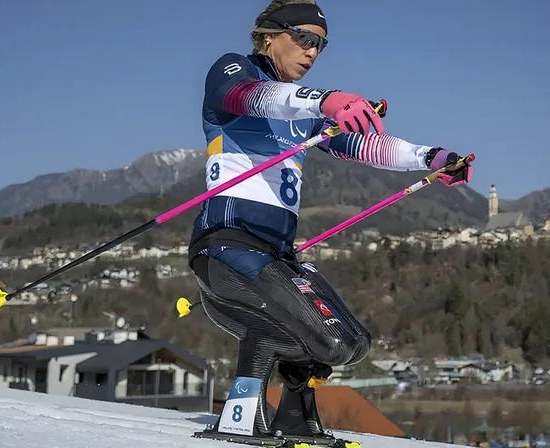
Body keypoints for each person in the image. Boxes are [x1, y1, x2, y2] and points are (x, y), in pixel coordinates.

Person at [188, 0, 472, 445]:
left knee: (348, 343)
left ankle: (296, 418)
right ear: (268, 35)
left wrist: (429, 157)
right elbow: (254, 97)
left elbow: (366, 146)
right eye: (303, 39)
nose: (312, 52)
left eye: (320, 44)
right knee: (307, 335)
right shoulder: (234, 72)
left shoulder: (300, 116)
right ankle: (240, 415)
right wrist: (325, 99)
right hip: (227, 247)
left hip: (275, 254)